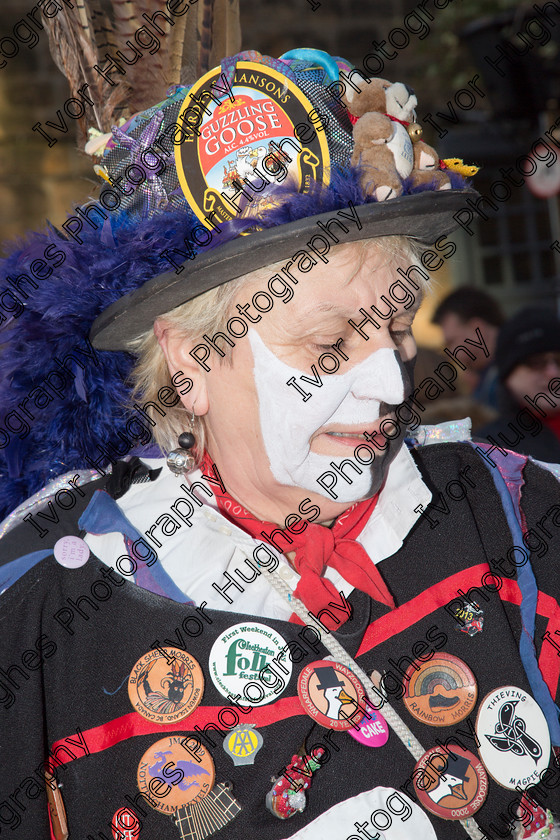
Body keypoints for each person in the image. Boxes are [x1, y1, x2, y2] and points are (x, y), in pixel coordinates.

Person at [0, 34, 559, 840]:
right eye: (329, 347)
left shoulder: (514, 506)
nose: (393, 386)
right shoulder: (48, 598)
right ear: (190, 360)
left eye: (398, 330)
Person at [477, 307, 560, 463]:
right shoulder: (490, 449)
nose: (553, 373)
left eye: (559, 360)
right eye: (536, 363)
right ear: (508, 376)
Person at [432, 286, 504, 411]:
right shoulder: (487, 376)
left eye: (451, 342)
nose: (449, 353)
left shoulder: (509, 376)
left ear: (478, 329)